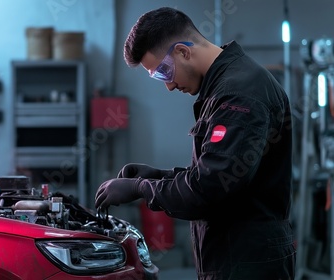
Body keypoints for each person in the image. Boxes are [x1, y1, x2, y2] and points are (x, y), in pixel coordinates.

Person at [94, 6, 296, 280]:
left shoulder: (239, 94)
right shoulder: (225, 87)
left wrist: (142, 188)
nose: (168, 85)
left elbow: (207, 191)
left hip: (249, 263)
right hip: (234, 257)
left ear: (183, 52)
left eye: (163, 72)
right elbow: (216, 174)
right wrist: (156, 176)